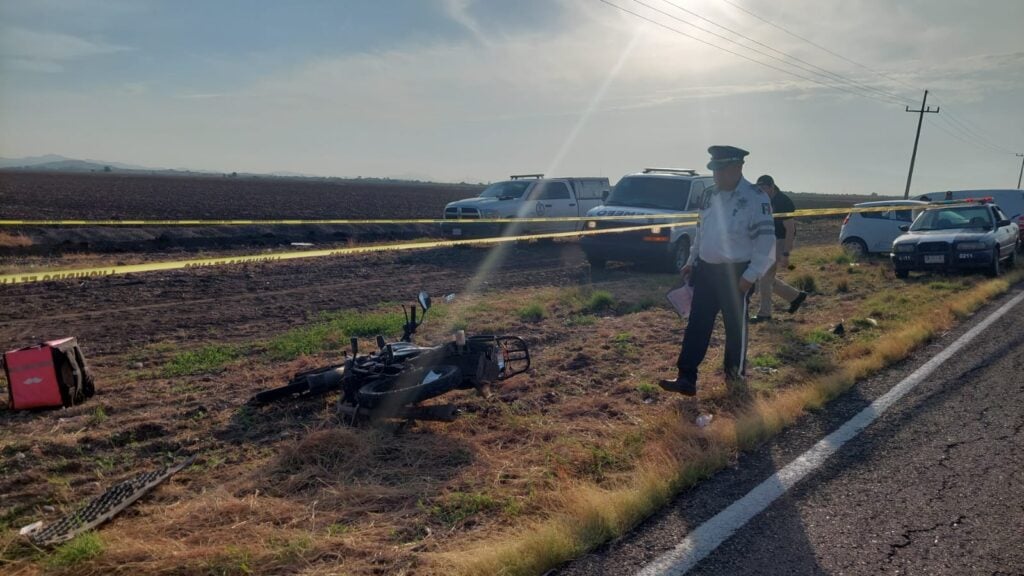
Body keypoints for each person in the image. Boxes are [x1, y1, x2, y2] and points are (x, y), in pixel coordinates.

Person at [659, 146, 776, 396]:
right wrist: (692, 260)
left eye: (722, 170)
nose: (717, 176)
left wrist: (750, 276)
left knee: (735, 328)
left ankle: (735, 377)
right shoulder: (709, 195)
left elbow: (766, 242)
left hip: (737, 272)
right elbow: (701, 232)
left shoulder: (756, 197)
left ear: (738, 167)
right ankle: (686, 377)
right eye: (714, 170)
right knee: (697, 324)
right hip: (706, 270)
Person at [751, 174, 807, 322]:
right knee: (765, 277)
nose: (762, 192)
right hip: (767, 241)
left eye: (764, 189)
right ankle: (795, 296)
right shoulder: (763, 200)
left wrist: (786, 253)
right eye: (759, 189)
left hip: (780, 241)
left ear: (772, 187)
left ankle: (764, 314)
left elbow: (790, 230)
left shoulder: (783, 202)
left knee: (765, 277)